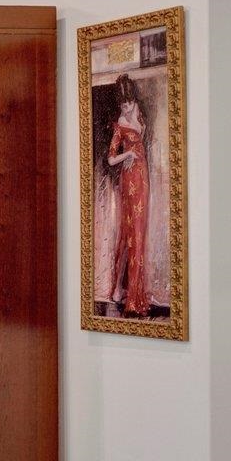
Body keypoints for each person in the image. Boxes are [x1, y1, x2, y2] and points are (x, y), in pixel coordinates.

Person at [103, 74, 152, 317]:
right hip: (130, 179)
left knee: (141, 233)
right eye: (123, 104)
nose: (127, 107)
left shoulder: (139, 114)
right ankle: (128, 296)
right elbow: (111, 158)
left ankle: (135, 292)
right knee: (132, 233)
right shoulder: (121, 124)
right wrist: (128, 155)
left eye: (129, 102)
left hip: (144, 178)